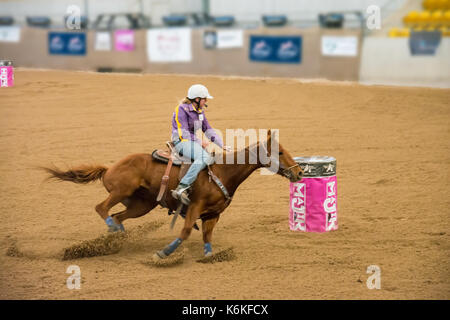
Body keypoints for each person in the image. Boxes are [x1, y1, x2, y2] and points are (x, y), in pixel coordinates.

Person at [171, 84, 231, 205]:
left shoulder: (200, 112)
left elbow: (208, 129)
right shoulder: (181, 109)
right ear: (196, 99)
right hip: (181, 141)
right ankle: (182, 187)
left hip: (192, 141)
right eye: (205, 99)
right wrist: (199, 142)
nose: (206, 101)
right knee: (204, 157)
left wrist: (221, 144)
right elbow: (183, 132)